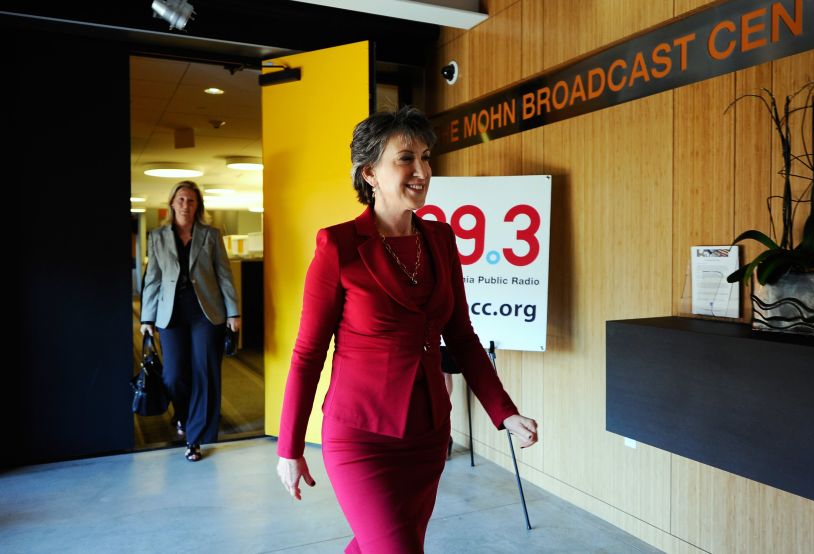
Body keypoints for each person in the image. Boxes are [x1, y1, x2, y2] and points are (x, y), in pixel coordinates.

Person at [276, 107, 538, 553]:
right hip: (361, 436)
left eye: (426, 156)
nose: (422, 170)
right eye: (405, 158)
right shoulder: (338, 246)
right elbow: (308, 353)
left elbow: (461, 336)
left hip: (428, 432)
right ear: (370, 173)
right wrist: (290, 446)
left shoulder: (441, 239)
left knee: (384, 543)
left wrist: (503, 411)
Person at [140, 180, 241, 462]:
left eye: (191, 201)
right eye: (181, 200)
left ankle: (196, 437)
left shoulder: (210, 234)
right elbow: (154, 279)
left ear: (198, 206)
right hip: (169, 313)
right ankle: (184, 414)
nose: (186, 205)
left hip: (206, 313)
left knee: (204, 372)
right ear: (172, 203)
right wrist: (146, 317)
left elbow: (224, 275)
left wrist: (234, 312)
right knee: (173, 375)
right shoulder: (158, 236)